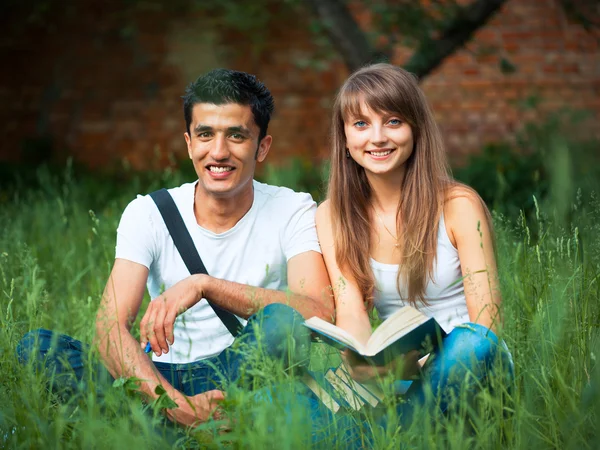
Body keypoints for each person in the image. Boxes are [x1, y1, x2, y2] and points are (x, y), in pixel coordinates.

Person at [17, 68, 334, 428]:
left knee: (282, 323)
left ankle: (162, 427)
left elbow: (319, 314)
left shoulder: (292, 209)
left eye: (236, 136)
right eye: (205, 135)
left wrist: (204, 284)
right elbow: (108, 330)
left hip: (242, 369)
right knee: (38, 349)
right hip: (156, 378)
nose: (219, 151)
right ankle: (202, 426)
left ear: (262, 147)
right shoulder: (149, 212)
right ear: (188, 144)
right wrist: (174, 403)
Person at [315, 63, 514, 425]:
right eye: (361, 124)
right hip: (396, 370)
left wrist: (418, 366)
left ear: (415, 129)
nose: (377, 138)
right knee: (305, 406)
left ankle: (395, 430)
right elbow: (352, 311)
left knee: (471, 343)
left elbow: (488, 321)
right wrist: (363, 359)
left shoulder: (458, 205)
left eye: (393, 121)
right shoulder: (332, 215)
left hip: (469, 363)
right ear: (344, 138)